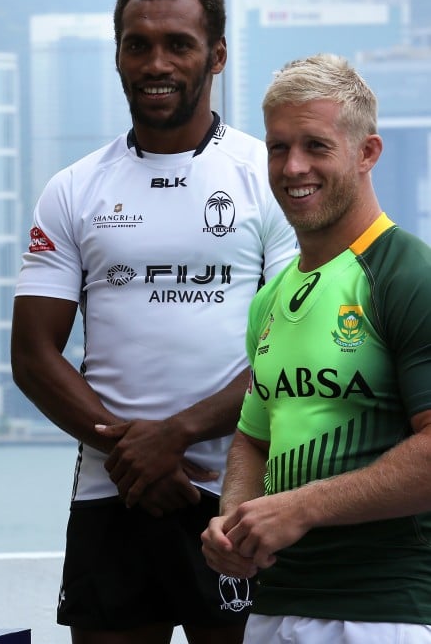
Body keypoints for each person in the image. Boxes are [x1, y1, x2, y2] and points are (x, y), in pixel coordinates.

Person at [11, 0, 298, 642]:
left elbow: (289, 348)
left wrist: (174, 438)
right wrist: (134, 457)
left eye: (179, 44)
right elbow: (31, 354)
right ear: (117, 55)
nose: (156, 63)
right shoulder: (73, 189)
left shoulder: (269, 179)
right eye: (137, 45)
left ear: (217, 56)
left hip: (238, 495)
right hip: (114, 494)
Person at [200, 53, 431, 643]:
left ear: (367, 153)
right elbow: (253, 440)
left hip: (383, 611)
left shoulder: (408, 273)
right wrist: (232, 522)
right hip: (273, 608)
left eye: (316, 146)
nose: (293, 167)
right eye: (278, 148)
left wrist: (301, 507)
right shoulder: (271, 296)